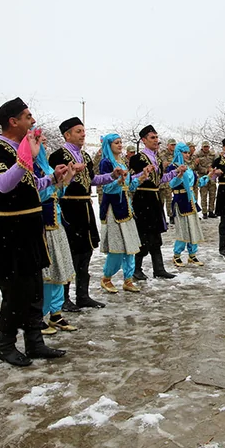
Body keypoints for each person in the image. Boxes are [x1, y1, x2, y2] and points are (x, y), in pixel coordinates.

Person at [0, 97, 66, 366]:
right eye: (28, 116)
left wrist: (52, 178)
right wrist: (24, 159)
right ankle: (5, 346)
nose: (33, 121)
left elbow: (29, 187)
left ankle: (34, 342)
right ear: (13, 121)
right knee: (15, 292)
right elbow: (3, 185)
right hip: (8, 230)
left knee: (34, 289)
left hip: (29, 229)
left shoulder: (20, 150)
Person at [49, 117, 120, 311]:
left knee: (85, 252)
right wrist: (71, 173)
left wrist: (111, 176)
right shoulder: (57, 156)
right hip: (68, 208)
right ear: (67, 135)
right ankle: (63, 299)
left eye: (83, 131)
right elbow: (55, 183)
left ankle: (82, 295)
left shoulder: (86, 156)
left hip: (85, 208)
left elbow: (92, 179)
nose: (83, 134)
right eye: (78, 131)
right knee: (69, 253)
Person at [34, 141, 78, 334]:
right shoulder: (30, 167)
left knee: (60, 267)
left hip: (56, 221)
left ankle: (56, 313)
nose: (42, 144)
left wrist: (66, 177)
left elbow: (56, 193)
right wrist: (53, 179)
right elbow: (39, 194)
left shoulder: (45, 166)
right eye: (39, 141)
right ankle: (39, 315)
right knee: (48, 271)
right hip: (43, 224)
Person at [128, 125, 181, 279]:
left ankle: (159, 268)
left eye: (157, 137)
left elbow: (160, 180)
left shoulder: (157, 158)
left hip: (154, 198)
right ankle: (136, 269)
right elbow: (130, 179)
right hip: (143, 198)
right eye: (152, 137)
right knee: (143, 234)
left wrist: (175, 172)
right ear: (144, 140)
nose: (156, 140)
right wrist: (142, 174)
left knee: (156, 235)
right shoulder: (137, 158)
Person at [98, 134, 143, 293]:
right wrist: (118, 181)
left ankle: (128, 279)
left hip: (126, 207)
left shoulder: (122, 162)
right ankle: (106, 278)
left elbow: (128, 187)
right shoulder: (106, 162)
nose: (120, 145)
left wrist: (141, 178)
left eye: (120, 142)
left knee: (130, 246)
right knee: (116, 248)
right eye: (116, 142)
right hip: (113, 209)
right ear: (108, 145)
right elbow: (106, 188)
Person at [167, 142, 213, 266]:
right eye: (185, 152)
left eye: (188, 152)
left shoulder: (188, 168)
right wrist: (179, 175)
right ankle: (177, 255)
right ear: (178, 153)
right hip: (180, 200)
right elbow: (171, 184)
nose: (187, 155)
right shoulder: (173, 167)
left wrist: (208, 176)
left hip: (191, 201)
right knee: (183, 230)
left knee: (193, 228)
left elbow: (196, 183)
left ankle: (192, 255)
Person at [194, 140, 217, 218]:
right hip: (202, 177)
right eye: (205, 147)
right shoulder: (197, 155)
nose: (206, 148)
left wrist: (212, 170)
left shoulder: (213, 154)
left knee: (212, 195)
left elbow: (216, 163)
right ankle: (204, 212)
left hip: (212, 177)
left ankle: (211, 211)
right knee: (203, 195)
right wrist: (206, 170)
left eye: (207, 147)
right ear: (202, 147)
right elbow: (196, 167)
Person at [159, 138, 176, 224]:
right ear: (168, 145)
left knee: (170, 200)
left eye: (174, 145)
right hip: (164, 179)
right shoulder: (163, 153)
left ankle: (171, 216)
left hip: (172, 180)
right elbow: (164, 165)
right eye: (172, 145)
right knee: (161, 201)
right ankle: (162, 219)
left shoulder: (176, 154)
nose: (173, 146)